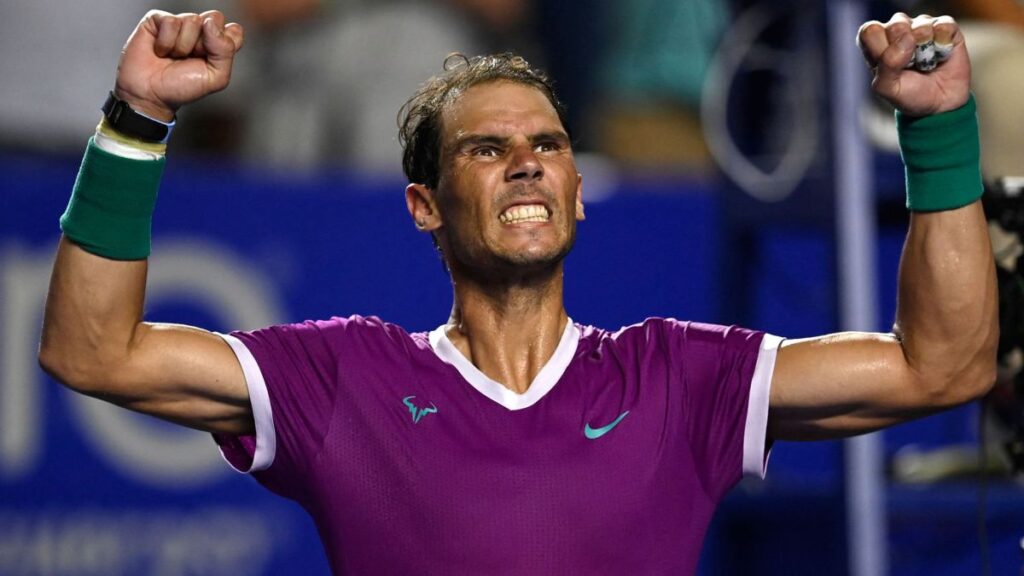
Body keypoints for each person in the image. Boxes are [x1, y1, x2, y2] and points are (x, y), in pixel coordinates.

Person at [38, 9, 997, 575]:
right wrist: (140, 117)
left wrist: (940, 128)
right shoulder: (341, 377)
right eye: (487, 150)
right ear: (425, 205)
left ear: (578, 189)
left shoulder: (682, 378)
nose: (528, 166)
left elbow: (943, 366)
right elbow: (92, 351)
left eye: (548, 147)